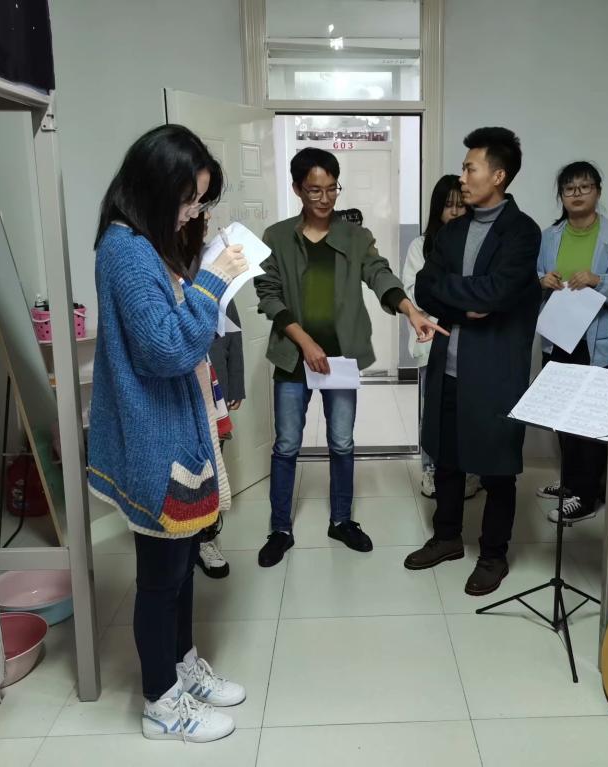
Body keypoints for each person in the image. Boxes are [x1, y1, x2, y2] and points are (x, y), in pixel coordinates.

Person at [88, 124, 248, 743]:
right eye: (188, 200)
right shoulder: (126, 251)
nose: (193, 213)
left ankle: (181, 668)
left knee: (180, 569)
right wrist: (212, 282)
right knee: (160, 580)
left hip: (172, 429)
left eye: (200, 201)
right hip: (153, 439)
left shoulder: (145, 243)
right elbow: (166, 349)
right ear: (154, 189)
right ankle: (161, 702)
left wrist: (196, 276)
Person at [254, 147, 445, 568]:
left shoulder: (355, 237)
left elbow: (379, 274)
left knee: (342, 442)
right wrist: (305, 342)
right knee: (286, 445)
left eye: (331, 189)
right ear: (297, 189)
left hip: (338, 361)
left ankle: (341, 520)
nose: (324, 198)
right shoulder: (277, 237)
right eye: (314, 190)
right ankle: (280, 528)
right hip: (292, 358)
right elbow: (268, 295)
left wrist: (409, 309)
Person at [404, 127, 542, 596]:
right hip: (448, 365)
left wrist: (462, 298)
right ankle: (446, 538)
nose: (462, 177)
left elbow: (498, 292)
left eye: (470, 168)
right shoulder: (453, 230)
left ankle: (493, 555)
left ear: (498, 175)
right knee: (446, 458)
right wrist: (472, 304)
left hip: (495, 371)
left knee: (498, 468)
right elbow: (426, 288)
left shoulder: (522, 232)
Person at [534, 161, 608, 521]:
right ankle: (572, 482)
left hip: (597, 341)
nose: (577, 194)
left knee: (589, 418)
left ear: (598, 191)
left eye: (585, 187)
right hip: (559, 336)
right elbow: (532, 274)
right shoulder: (549, 236)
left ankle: (586, 496)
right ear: (561, 196)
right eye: (570, 188)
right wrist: (541, 280)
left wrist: (600, 280)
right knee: (561, 414)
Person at [401, 175, 481, 501]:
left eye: (461, 205)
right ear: (437, 209)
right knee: (433, 412)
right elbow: (414, 294)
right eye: (448, 205)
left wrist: (449, 295)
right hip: (433, 343)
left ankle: (470, 472)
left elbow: (482, 294)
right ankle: (431, 470)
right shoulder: (421, 246)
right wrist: (457, 299)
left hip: (473, 345)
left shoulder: (478, 243)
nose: (455, 212)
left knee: (470, 412)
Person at [180, 214, 246, 579]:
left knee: (212, 463)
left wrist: (235, 385)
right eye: (196, 220)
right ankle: (182, 538)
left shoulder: (213, 265)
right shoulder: (162, 265)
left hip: (214, 386)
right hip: (179, 385)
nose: (203, 227)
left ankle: (206, 538)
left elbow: (234, 333)